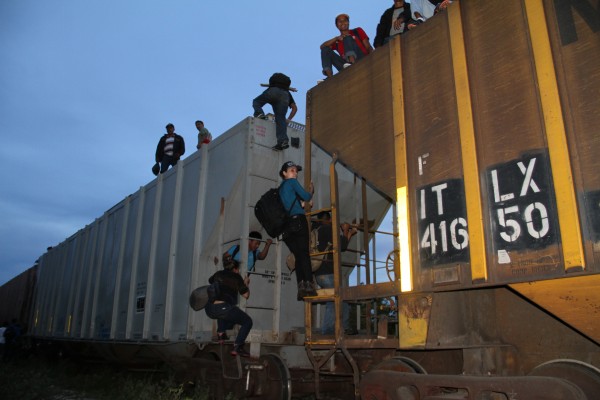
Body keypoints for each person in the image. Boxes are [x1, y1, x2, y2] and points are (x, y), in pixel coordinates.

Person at [313, 212, 358, 335]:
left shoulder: (317, 231)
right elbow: (342, 246)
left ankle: (344, 326)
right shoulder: (329, 229)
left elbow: (339, 246)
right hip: (328, 272)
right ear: (330, 219)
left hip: (319, 273)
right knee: (333, 301)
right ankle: (328, 331)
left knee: (339, 298)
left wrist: (349, 233)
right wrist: (345, 230)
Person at [278, 161, 317, 301]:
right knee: (304, 254)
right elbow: (306, 196)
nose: (295, 173)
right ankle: (309, 285)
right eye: (292, 170)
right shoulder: (292, 183)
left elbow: (290, 205)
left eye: (296, 170)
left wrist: (302, 204)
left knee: (298, 256)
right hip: (299, 222)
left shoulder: (280, 189)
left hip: (287, 227)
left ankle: (300, 287)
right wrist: (311, 190)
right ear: (284, 173)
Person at [204, 258, 252, 357]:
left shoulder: (218, 274)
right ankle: (238, 346)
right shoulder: (236, 276)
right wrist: (246, 283)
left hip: (209, 308)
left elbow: (210, 280)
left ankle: (221, 334)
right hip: (222, 308)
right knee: (247, 321)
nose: (238, 271)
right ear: (235, 269)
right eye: (238, 269)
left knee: (226, 315)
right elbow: (246, 295)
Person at [252, 73, 298, 151]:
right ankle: (283, 141)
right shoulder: (287, 93)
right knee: (281, 119)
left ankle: (260, 113)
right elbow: (295, 108)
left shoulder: (273, 87)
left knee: (256, 102)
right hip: (284, 97)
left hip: (273, 91)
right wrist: (289, 119)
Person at [320, 14, 373, 78]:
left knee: (347, 37)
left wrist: (373, 56)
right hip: (346, 66)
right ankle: (329, 77)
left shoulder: (357, 31)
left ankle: (352, 63)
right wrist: (336, 38)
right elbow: (322, 46)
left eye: (345, 20)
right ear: (337, 25)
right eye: (340, 21)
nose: (343, 23)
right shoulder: (337, 41)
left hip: (362, 59)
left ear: (348, 23)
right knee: (325, 50)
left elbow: (368, 46)